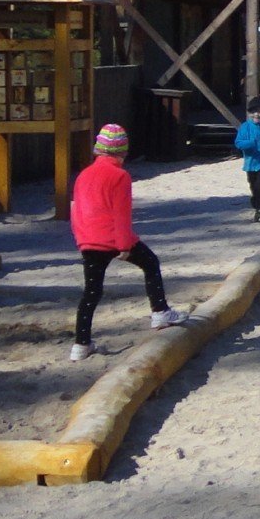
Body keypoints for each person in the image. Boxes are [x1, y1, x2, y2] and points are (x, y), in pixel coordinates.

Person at [67, 124, 185, 360]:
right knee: (150, 263)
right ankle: (160, 311)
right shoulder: (120, 176)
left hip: (89, 239)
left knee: (91, 292)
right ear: (121, 152)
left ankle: (80, 345)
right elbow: (121, 213)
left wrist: (81, 239)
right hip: (112, 238)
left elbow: (76, 210)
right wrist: (123, 245)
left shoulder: (83, 175)